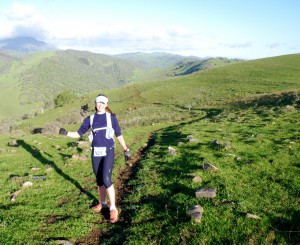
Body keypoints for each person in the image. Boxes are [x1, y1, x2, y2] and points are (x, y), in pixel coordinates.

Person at [59, 94, 130, 223]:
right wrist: (66, 133)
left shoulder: (111, 118)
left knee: (106, 178)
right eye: (98, 102)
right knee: (98, 180)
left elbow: (118, 134)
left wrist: (126, 149)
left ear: (106, 104)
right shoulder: (90, 119)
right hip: (96, 152)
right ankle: (102, 203)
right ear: (96, 104)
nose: (100, 105)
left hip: (108, 151)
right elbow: (79, 133)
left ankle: (113, 207)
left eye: (103, 103)